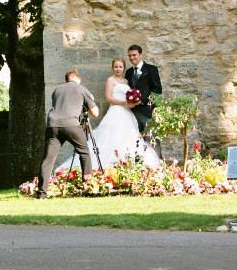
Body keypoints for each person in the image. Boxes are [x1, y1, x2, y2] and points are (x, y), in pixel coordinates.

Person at [56, 59, 161, 173]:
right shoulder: (110, 80)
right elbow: (108, 98)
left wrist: (133, 103)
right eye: (115, 67)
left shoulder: (126, 81)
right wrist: (124, 104)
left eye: (120, 67)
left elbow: (129, 97)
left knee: (129, 138)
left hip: (127, 114)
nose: (118, 69)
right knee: (111, 138)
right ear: (112, 68)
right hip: (115, 112)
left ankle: (129, 166)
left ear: (123, 68)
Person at [38, 69, 99, 198]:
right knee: (84, 153)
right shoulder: (81, 88)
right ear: (77, 79)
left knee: (48, 159)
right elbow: (95, 113)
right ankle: (88, 187)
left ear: (67, 79)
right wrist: (89, 101)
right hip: (71, 124)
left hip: (53, 125)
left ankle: (41, 193)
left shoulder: (57, 90)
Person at [125, 44, 163, 134]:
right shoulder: (128, 72)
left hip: (147, 111)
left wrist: (141, 100)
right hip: (132, 113)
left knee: (151, 139)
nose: (132, 57)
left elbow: (157, 90)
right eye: (130, 55)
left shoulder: (151, 69)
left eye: (134, 55)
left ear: (140, 55)